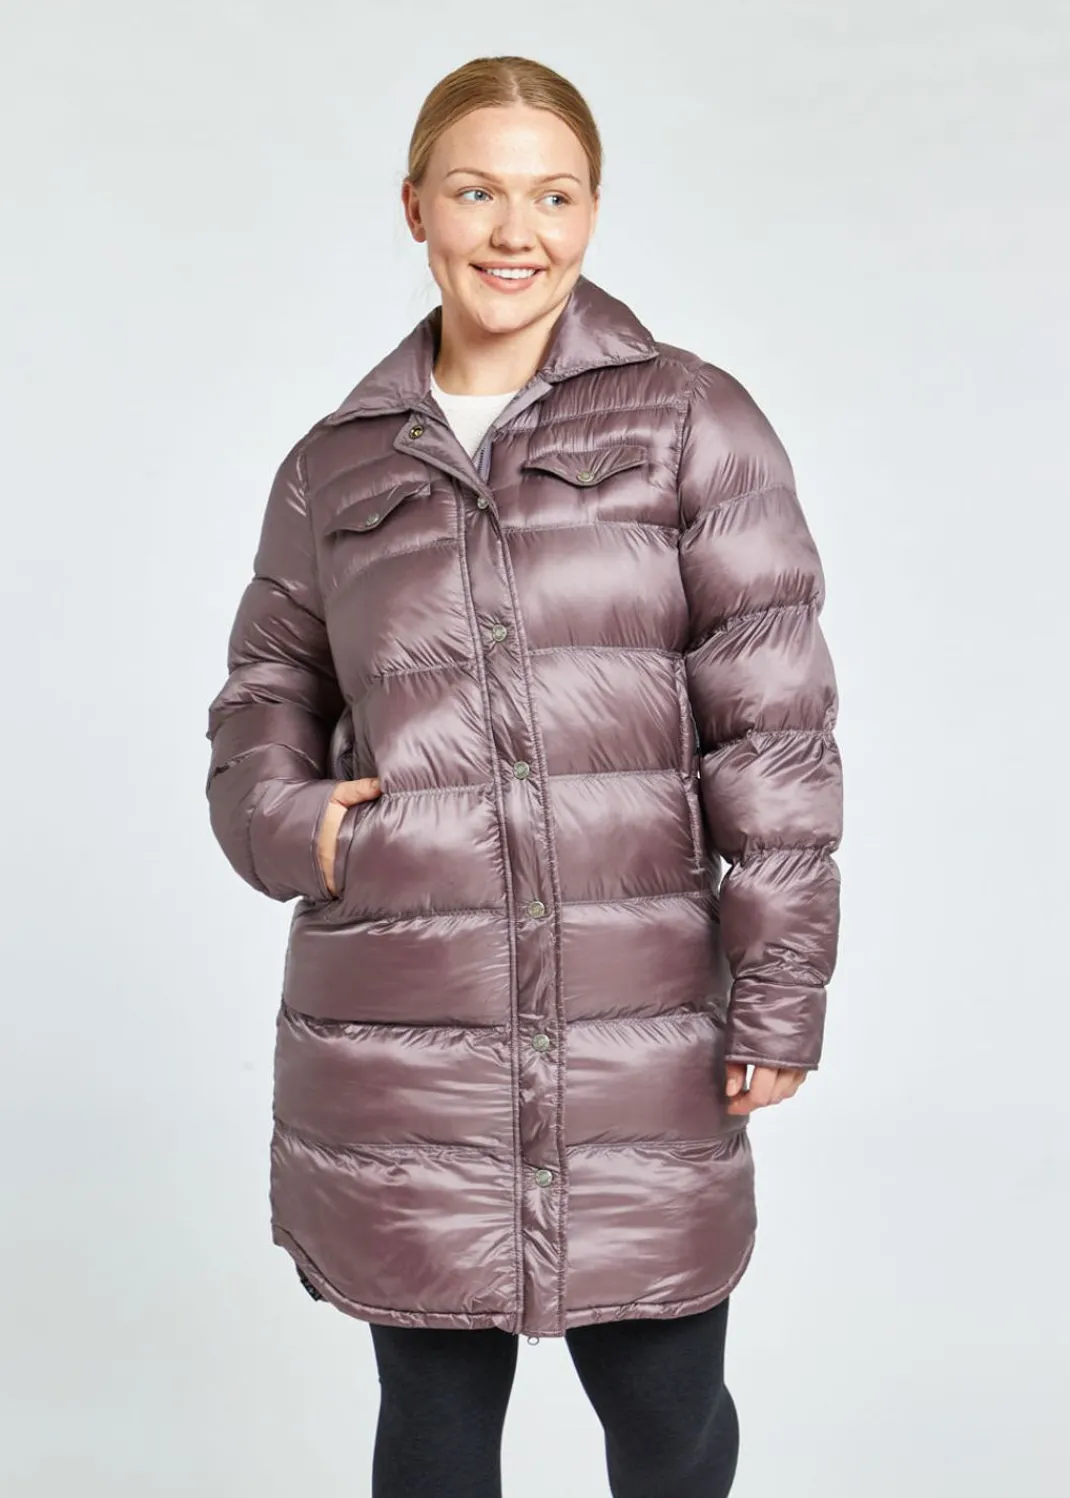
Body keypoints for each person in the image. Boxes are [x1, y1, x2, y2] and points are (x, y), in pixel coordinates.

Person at [204, 53, 843, 1498]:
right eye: (477, 192)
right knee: (432, 1430)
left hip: (639, 1021)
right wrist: (298, 828)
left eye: (552, 196)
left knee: (668, 1418)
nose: (515, 231)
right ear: (415, 208)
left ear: (593, 212)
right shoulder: (335, 467)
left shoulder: (688, 420)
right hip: (403, 1017)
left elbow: (774, 729)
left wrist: (781, 983)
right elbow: (264, 695)